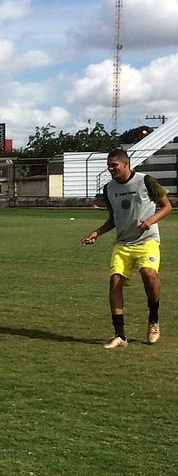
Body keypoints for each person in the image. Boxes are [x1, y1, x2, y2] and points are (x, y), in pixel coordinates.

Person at [83, 148, 172, 348]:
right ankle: (120, 335)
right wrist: (97, 233)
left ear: (125, 164)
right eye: (108, 165)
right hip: (123, 243)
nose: (110, 169)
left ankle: (154, 319)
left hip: (147, 240)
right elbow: (113, 219)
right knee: (115, 283)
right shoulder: (109, 189)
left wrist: (151, 220)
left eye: (114, 165)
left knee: (149, 275)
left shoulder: (146, 181)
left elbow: (167, 206)